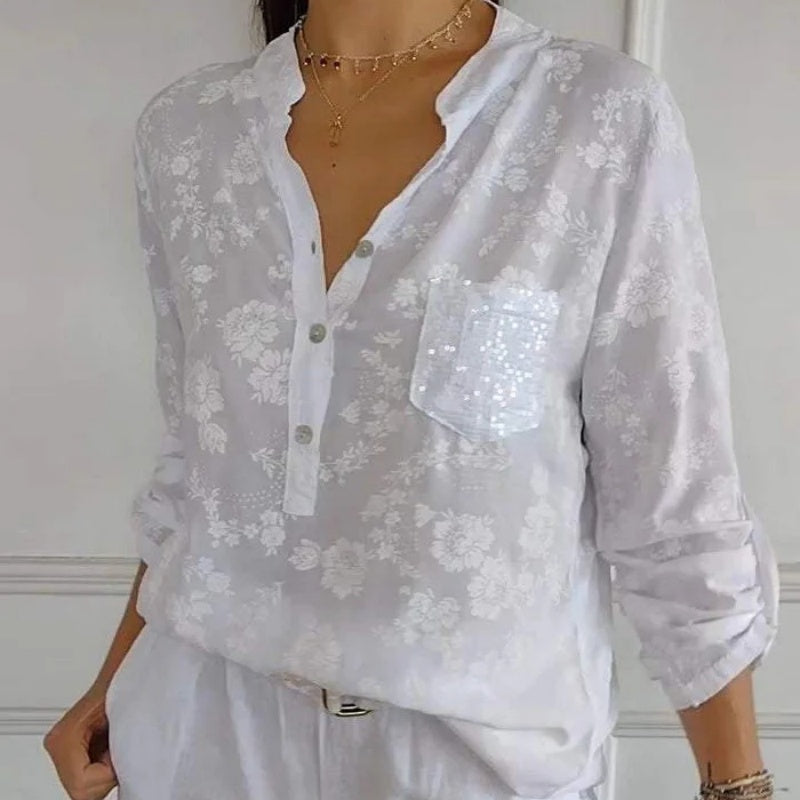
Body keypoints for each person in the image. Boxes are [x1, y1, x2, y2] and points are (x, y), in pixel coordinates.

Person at [43, 0, 780, 798]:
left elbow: (670, 481)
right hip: (201, 736)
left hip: (475, 760)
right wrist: (111, 681)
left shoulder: (593, 114)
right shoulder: (187, 132)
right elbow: (197, 464)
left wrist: (737, 782)